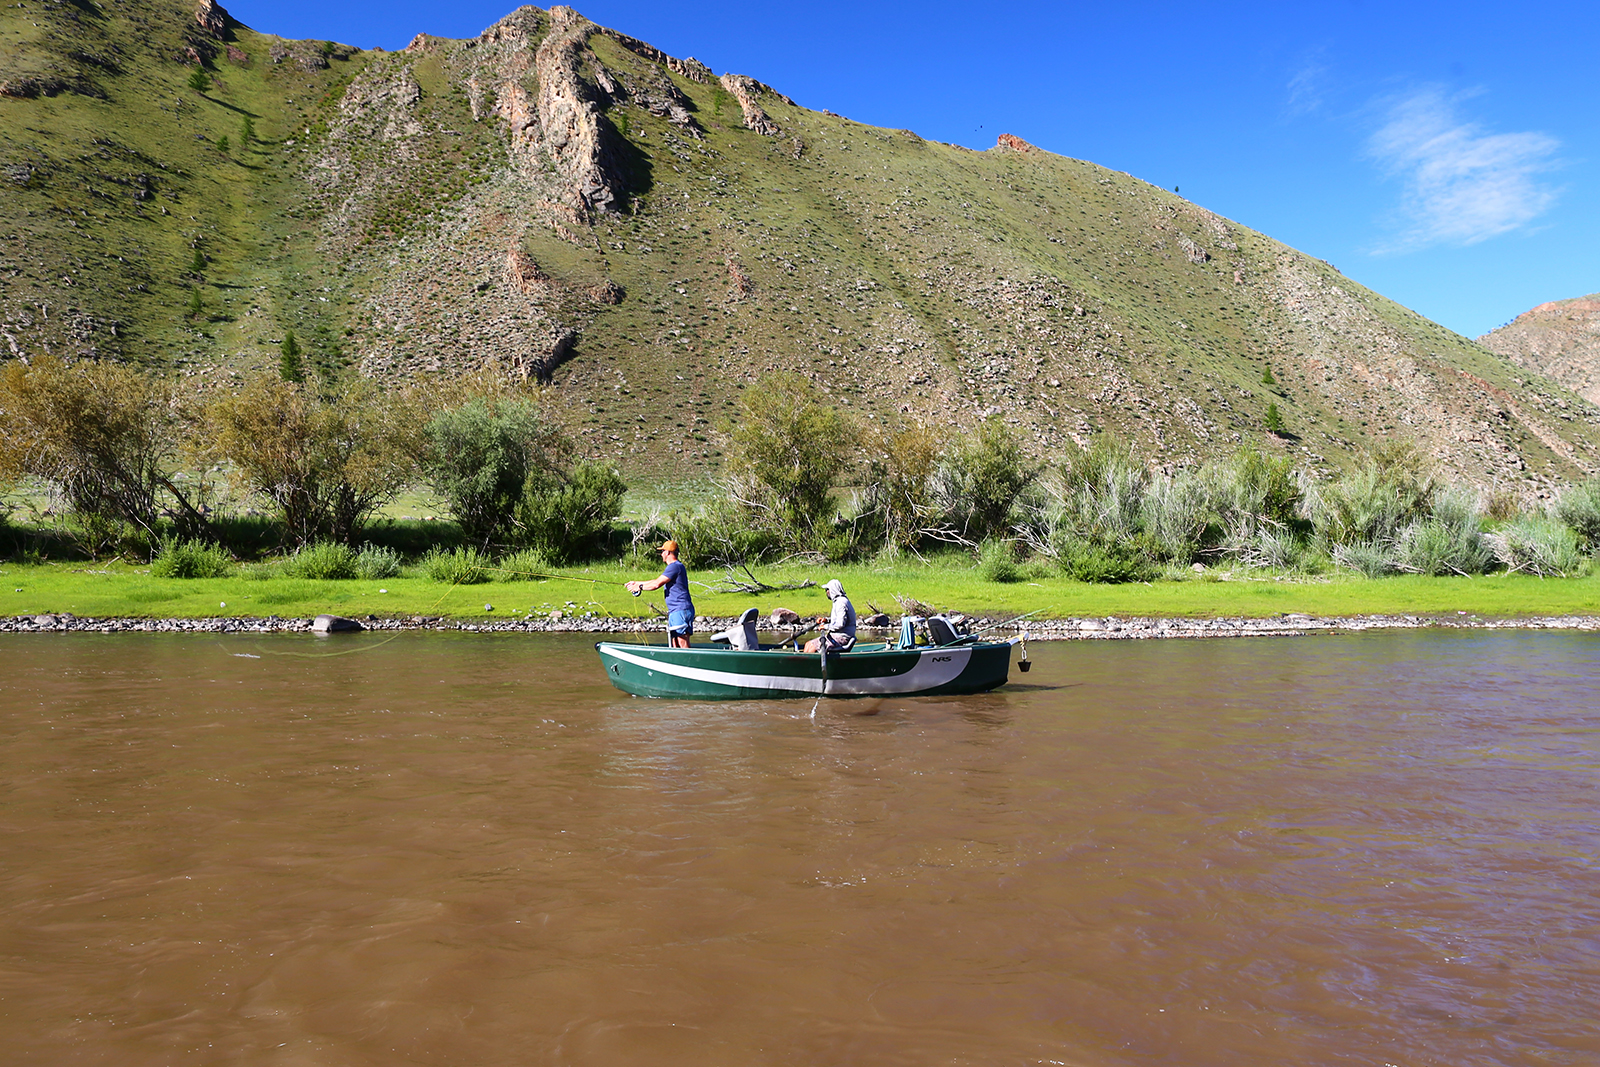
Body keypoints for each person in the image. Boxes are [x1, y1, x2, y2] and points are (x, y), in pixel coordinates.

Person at [627, 540, 695, 648]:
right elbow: (656, 580)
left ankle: (690, 663)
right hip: (675, 610)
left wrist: (639, 587)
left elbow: (656, 584)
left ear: (668, 552)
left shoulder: (675, 566)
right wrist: (637, 583)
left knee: (682, 641)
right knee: (675, 643)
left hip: (681, 609)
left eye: (662, 551)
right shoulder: (674, 567)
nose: (661, 554)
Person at [804, 578, 856, 653]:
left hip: (841, 638)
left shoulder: (841, 603)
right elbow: (839, 619)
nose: (826, 592)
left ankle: (806, 663)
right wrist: (826, 620)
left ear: (833, 590)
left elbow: (840, 624)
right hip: (837, 636)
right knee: (808, 644)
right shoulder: (839, 601)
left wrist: (825, 627)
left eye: (827, 589)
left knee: (812, 646)